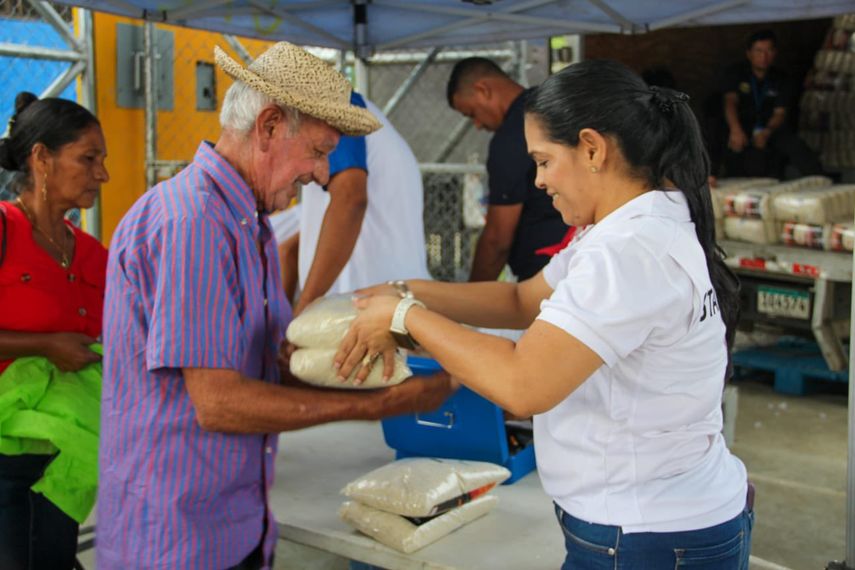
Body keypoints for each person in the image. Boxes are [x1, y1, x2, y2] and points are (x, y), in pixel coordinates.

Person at [337, 60, 753, 568]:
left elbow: (523, 384)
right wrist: (410, 290)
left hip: (647, 534)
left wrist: (405, 317)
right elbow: (522, 300)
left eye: (544, 161)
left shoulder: (625, 251)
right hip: (672, 518)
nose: (537, 180)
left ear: (593, 148)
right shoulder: (639, 221)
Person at [98, 42, 454, 570]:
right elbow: (219, 402)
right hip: (175, 538)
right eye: (317, 151)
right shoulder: (194, 224)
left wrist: (369, 369)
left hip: (232, 522)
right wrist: (373, 406)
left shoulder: (249, 223)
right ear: (267, 127)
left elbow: (268, 367)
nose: (321, 173)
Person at [0, 92, 109, 570]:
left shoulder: (91, 253)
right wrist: (44, 346)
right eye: (88, 159)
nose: (102, 174)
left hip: (67, 463)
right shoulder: (5, 229)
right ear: (41, 158)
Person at [273, 91, 430, 315]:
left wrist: (306, 306)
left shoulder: (337, 108)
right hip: (389, 302)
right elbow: (290, 249)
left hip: (365, 307)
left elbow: (350, 200)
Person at [447, 57, 568, 282]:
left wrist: (473, 301)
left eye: (472, 113)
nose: (477, 125)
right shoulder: (552, 107)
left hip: (546, 271)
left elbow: (497, 238)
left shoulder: (511, 138)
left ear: (483, 90)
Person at [723, 29, 823, 178]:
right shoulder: (737, 73)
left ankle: (819, 181)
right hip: (741, 125)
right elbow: (730, 102)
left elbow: (780, 113)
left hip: (769, 127)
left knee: (795, 145)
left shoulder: (781, 78)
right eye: (758, 51)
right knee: (720, 139)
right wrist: (735, 129)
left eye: (768, 51)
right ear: (749, 53)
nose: (764, 56)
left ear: (775, 53)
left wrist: (767, 131)